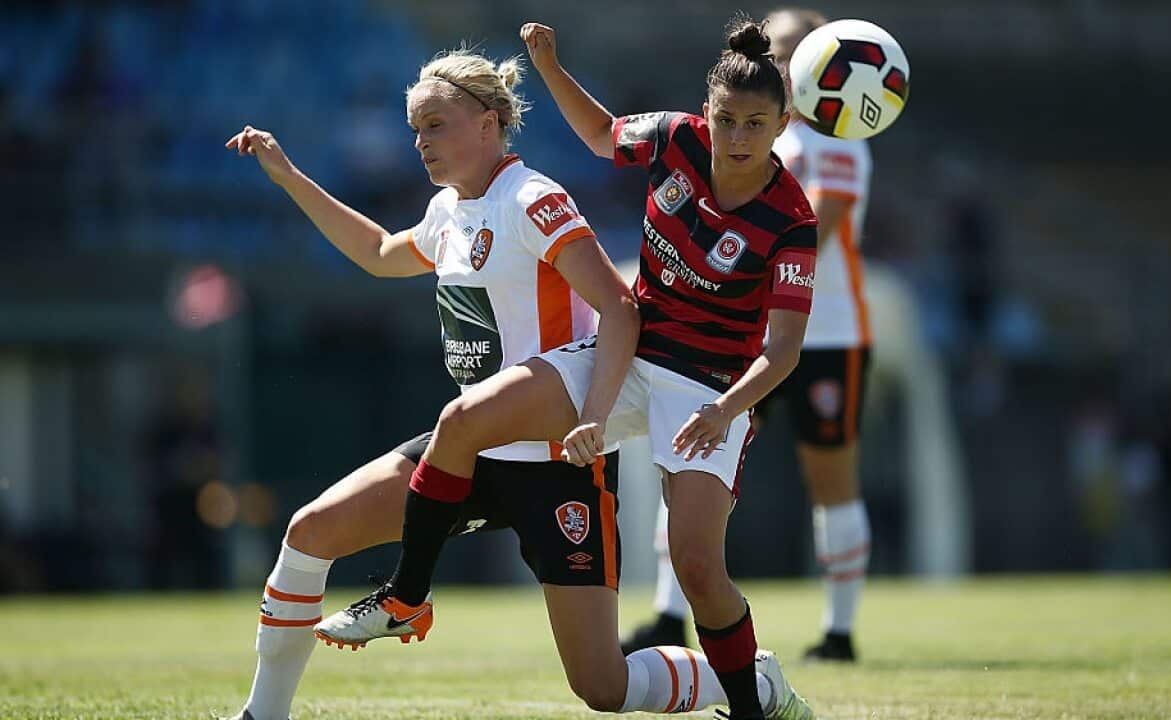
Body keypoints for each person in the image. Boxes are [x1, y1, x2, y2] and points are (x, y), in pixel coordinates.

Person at [220, 48, 777, 720]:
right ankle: (262, 713)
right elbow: (376, 254)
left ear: (488, 124)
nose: (422, 142)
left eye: (437, 125)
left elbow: (619, 306)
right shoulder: (447, 211)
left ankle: (750, 680)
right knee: (308, 533)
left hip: (557, 465)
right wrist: (288, 177)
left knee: (603, 688)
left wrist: (594, 417)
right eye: (416, 130)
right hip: (467, 456)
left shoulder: (532, 199)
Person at [623, 7, 875, 663]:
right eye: (779, 48)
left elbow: (809, 230)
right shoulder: (745, 130)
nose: (787, 61)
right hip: (742, 336)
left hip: (829, 333)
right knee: (688, 458)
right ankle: (667, 615)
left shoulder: (838, 136)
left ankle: (839, 631)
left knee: (830, 478)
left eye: (800, 50)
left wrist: (722, 261)